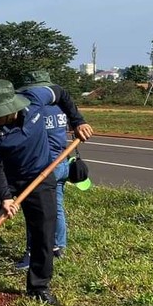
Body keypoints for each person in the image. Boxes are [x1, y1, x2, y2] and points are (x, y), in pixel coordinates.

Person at [0, 80, 93, 306]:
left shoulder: (35, 99)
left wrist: (78, 122)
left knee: (44, 230)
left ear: (11, 110)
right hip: (5, 177)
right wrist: (6, 197)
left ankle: (39, 286)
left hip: (41, 176)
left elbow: (62, 92)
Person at [15, 70, 93, 269]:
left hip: (44, 167)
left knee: (36, 211)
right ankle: (58, 246)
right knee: (55, 207)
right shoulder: (59, 106)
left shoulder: (35, 108)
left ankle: (33, 252)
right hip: (62, 163)